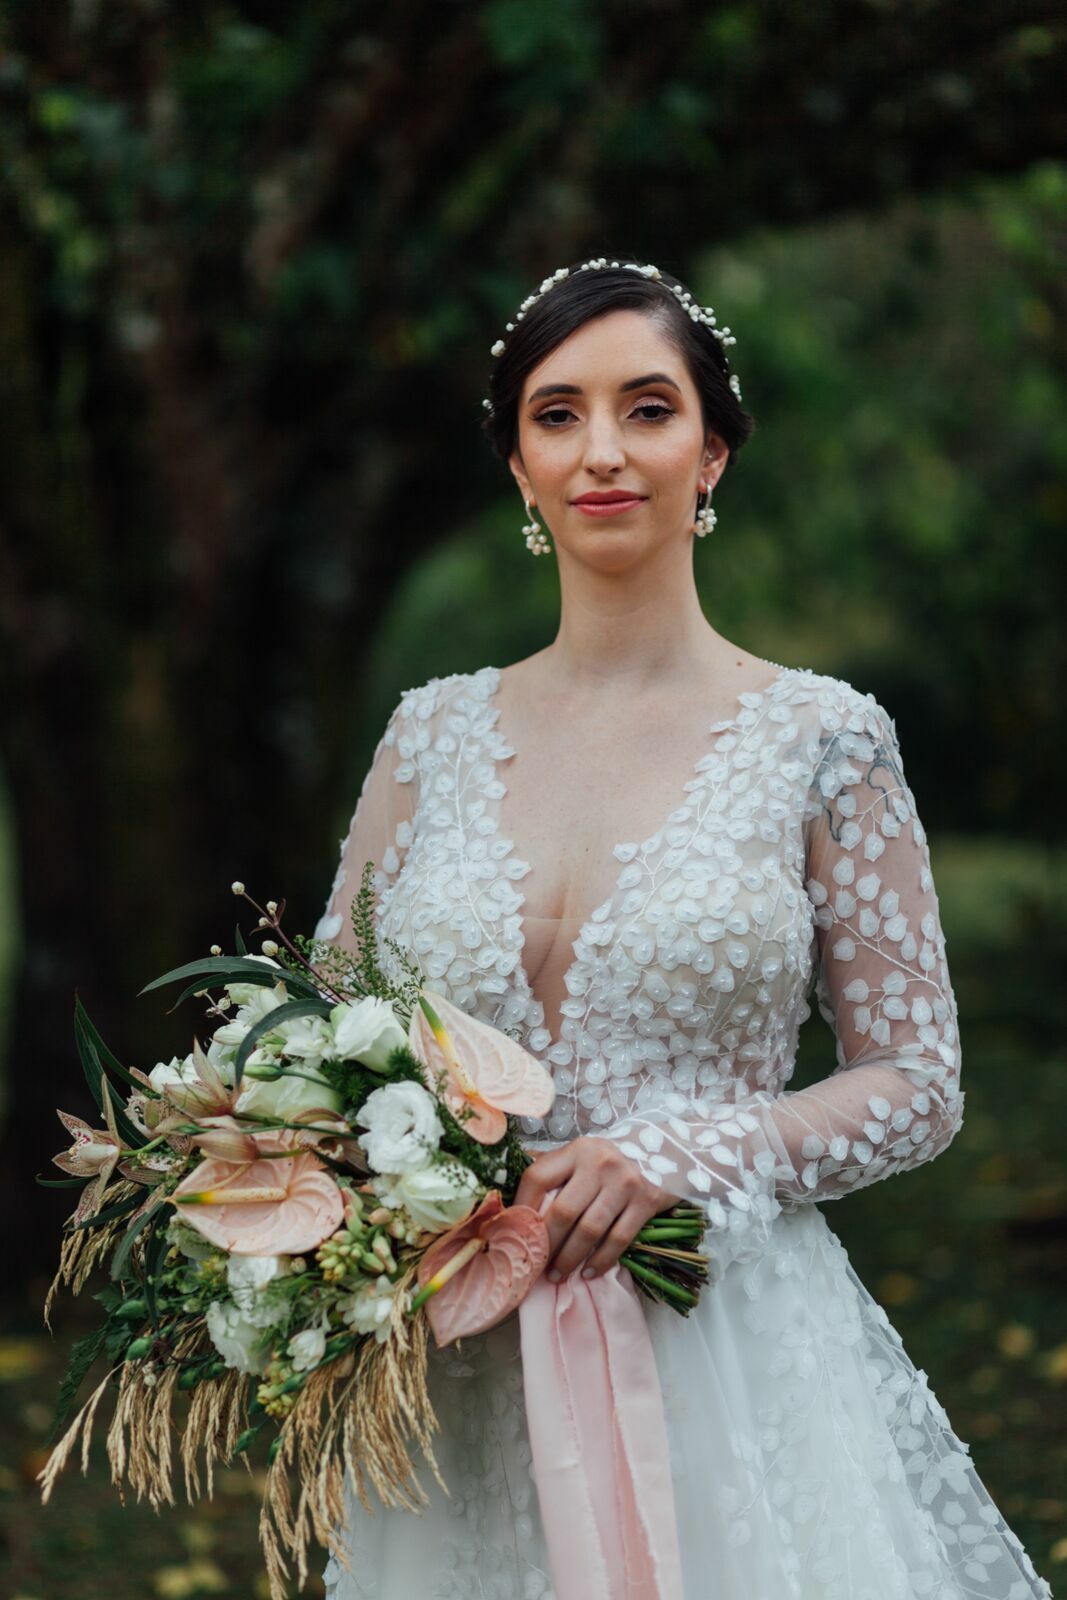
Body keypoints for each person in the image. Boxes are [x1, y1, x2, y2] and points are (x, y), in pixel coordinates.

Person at [316, 258, 1052, 1600]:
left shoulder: (824, 740)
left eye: (647, 409)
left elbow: (920, 1085)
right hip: (454, 1377)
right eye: (557, 414)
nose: (602, 450)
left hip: (722, 1353)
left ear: (711, 452)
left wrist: (699, 1150)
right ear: (517, 465)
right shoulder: (426, 736)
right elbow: (323, 1038)